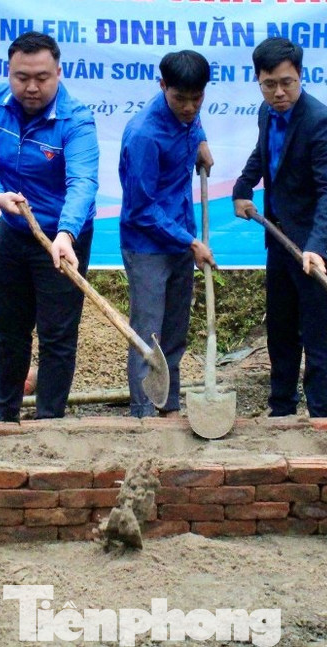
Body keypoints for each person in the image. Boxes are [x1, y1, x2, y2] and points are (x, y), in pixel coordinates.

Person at [0, 31, 99, 422]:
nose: (32, 87)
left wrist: (65, 233)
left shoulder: (76, 120)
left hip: (62, 241)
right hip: (13, 231)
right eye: (21, 77)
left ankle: (49, 419)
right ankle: (3, 413)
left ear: (59, 72)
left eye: (42, 77)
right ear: (9, 73)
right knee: (9, 328)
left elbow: (83, 182)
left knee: (57, 334)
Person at [232, 37, 327, 418]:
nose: (279, 93)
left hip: (313, 246)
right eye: (269, 84)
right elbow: (265, 154)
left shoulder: (320, 120)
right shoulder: (267, 114)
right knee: (280, 329)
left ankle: (321, 416)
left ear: (300, 77)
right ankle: (281, 409)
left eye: (287, 83)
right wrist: (242, 187)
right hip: (278, 237)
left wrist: (317, 246)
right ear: (258, 80)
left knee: (314, 333)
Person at [118, 50, 215, 418]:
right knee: (149, 334)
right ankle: (144, 413)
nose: (190, 107)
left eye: (197, 99)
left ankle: (169, 406)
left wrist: (200, 140)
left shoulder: (189, 115)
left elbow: (194, 118)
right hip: (148, 246)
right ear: (163, 87)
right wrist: (191, 243)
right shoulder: (144, 135)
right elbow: (141, 210)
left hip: (180, 236)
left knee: (175, 330)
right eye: (180, 99)